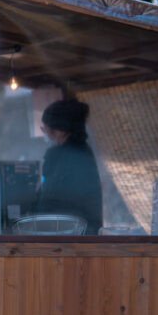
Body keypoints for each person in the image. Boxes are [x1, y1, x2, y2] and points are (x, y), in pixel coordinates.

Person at [37, 98, 103, 234]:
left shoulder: (59, 155)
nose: (46, 135)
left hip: (67, 235)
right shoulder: (84, 151)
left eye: (47, 130)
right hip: (84, 234)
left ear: (62, 130)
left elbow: (50, 199)